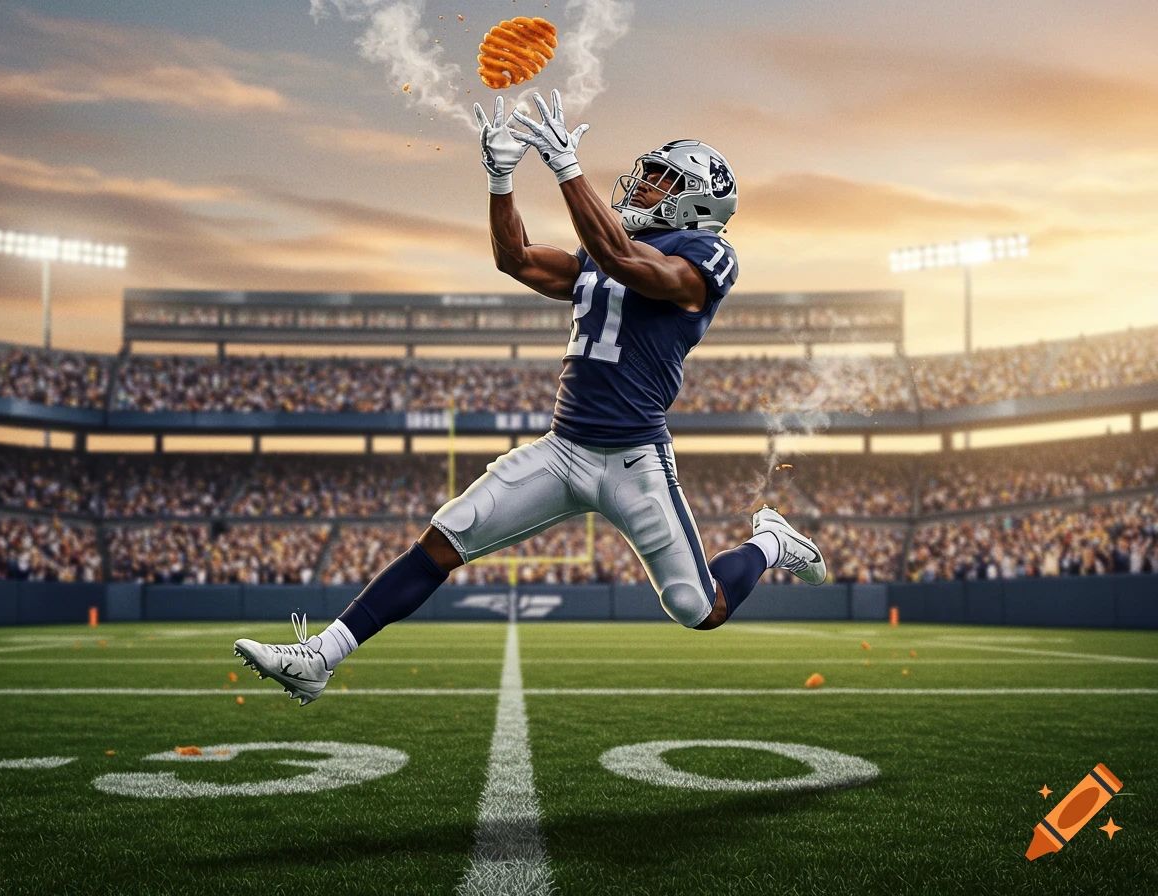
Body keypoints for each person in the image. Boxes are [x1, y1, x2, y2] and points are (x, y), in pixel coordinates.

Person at [234, 90, 827, 705]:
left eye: (659, 180)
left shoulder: (706, 254)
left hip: (633, 460)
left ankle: (770, 542)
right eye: (646, 174)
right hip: (564, 449)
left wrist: (569, 171)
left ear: (698, 198)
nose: (642, 185)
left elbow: (626, 260)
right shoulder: (602, 250)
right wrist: (501, 177)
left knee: (697, 607)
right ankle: (319, 657)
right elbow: (514, 258)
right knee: (446, 535)